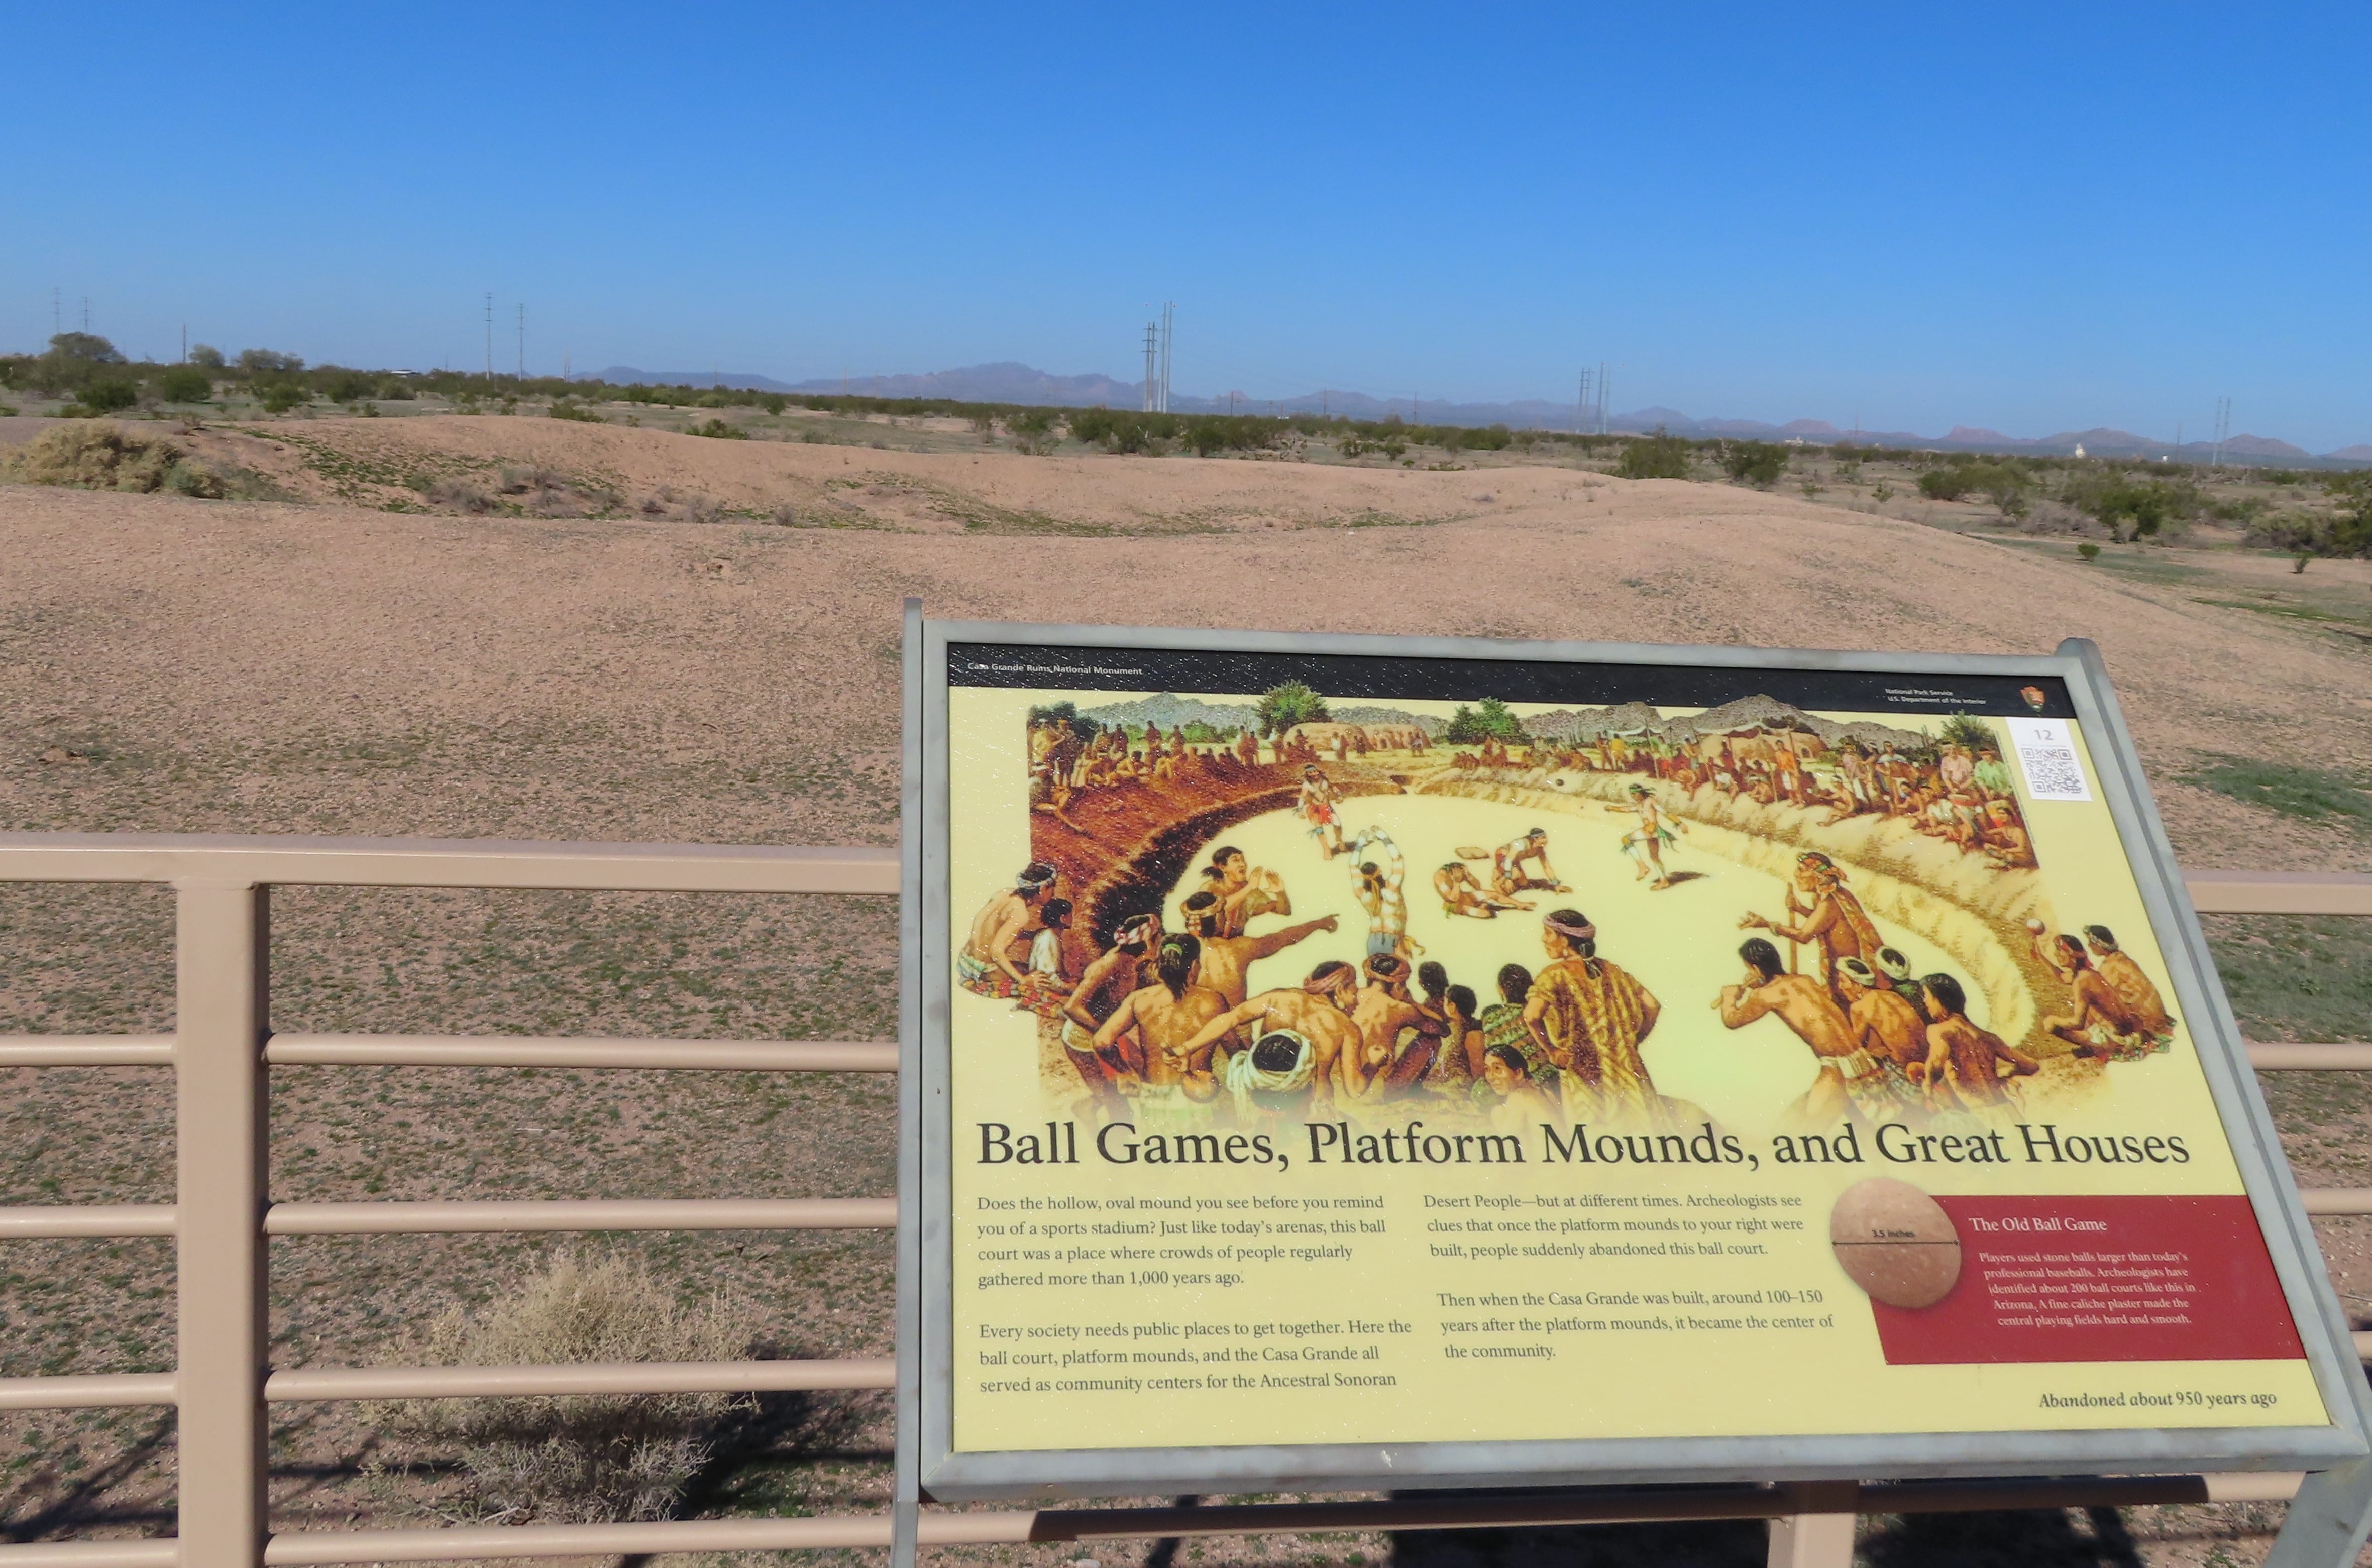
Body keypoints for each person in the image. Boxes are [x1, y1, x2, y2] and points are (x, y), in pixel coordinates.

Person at [1716, 938, 1899, 1128]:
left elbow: (1732, 1020)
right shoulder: (1803, 980)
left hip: (1839, 1067)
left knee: (1809, 1129)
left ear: (1755, 969)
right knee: (1861, 1125)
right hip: (1861, 1059)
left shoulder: (1764, 995)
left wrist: (1728, 997)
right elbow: (1788, 996)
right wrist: (1760, 983)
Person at [1523, 909, 1663, 1126]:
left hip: (1583, 1073)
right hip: (1627, 1071)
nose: (1543, 939)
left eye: (1548, 933)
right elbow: (1652, 1005)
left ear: (1565, 939)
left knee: (1592, 1139)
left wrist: (1552, 1050)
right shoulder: (1612, 970)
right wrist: (1632, 1041)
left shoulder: (1553, 975)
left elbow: (1531, 1016)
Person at [1179, 960, 1365, 1119]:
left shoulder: (1279, 999)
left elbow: (1229, 1019)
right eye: (1354, 988)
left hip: (1261, 1098)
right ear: (1341, 989)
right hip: (1304, 1105)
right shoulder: (1346, 1027)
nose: (1358, 997)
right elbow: (1355, 1089)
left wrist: (1187, 1047)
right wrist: (1375, 1064)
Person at [1093, 934, 1230, 1131]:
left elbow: (1102, 1041)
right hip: (1196, 1094)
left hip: (1153, 1096)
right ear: (1193, 965)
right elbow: (1232, 1046)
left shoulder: (1139, 999)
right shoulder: (1213, 1001)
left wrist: (1126, 1072)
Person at [1058, 913, 1162, 1118]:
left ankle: (1089, 1105)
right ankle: (1089, 1114)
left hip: (1106, 1036)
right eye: (1158, 935)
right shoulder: (1111, 963)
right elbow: (1072, 1007)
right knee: (1119, 1108)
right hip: (1083, 1040)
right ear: (1149, 939)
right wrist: (1105, 1032)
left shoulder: (1134, 961)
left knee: (1141, 1076)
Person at [1739, 851, 1880, 1002]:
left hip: (1850, 975)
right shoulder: (1828, 896)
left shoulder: (1829, 902)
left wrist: (1767, 924)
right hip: (1842, 971)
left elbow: (1804, 936)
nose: (1796, 874)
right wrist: (1800, 909)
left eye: (1801, 870)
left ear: (1818, 876)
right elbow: (1825, 922)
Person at [1178, 892, 1337, 1009]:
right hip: (1235, 1029)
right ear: (1217, 919)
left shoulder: (1176, 950)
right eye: (1222, 913)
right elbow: (1282, 939)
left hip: (1193, 1032)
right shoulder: (1236, 949)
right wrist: (1319, 923)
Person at [1921, 972, 2038, 1119]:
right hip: (2009, 1112)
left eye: (1927, 995)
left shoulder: (1939, 1031)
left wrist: (1927, 1083)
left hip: (1980, 1116)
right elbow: (2031, 1066)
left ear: (1938, 999)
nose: (1925, 1001)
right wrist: (2001, 1078)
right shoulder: (1987, 1037)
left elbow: (1937, 1064)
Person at [2034, 931, 2154, 1060]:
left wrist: (2054, 1019)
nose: (2056, 954)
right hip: (2129, 1030)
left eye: (2060, 950)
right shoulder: (2086, 974)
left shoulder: (2082, 982)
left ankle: (2096, 1047)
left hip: (2120, 1039)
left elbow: (2077, 1023)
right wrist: (2040, 957)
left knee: (2050, 1024)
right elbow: (2062, 978)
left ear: (2072, 954)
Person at [1834, 956, 1929, 1106]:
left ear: (1858, 984)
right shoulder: (1891, 995)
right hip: (1926, 1061)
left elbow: (1854, 1045)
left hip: (1904, 1071)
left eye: (1843, 981)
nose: (1840, 987)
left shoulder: (1859, 1008)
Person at [959, 863, 1058, 998]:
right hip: (983, 972)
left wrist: (1028, 935)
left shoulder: (1004, 894)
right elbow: (996, 951)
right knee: (1042, 985)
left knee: (1023, 968)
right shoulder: (1021, 913)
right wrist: (1024, 981)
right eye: (1052, 888)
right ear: (1043, 889)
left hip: (965, 961)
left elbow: (987, 927)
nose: (1053, 894)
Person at [1352, 953, 1439, 1099]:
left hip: (1351, 1082)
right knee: (1431, 1040)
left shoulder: (1353, 996)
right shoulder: (1401, 1008)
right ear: (1399, 984)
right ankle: (1406, 1092)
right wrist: (1412, 1002)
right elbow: (1441, 1029)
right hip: (1376, 1087)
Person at [2083, 925, 2177, 1038]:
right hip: (2154, 1014)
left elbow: (2101, 993)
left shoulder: (2111, 965)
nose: (2089, 946)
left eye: (2091, 942)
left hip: (2145, 1019)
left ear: (2099, 944)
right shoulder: (2122, 959)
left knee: (2096, 1003)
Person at [1350, 828, 1417, 962]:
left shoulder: (1363, 893)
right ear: (1380, 871)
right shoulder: (1392, 887)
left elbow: (1353, 866)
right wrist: (1385, 839)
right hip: (1392, 939)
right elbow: (1398, 859)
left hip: (1373, 940)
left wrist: (1359, 845)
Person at [1198, 844, 1289, 937]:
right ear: (1222, 867)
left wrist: (1281, 893)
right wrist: (1249, 888)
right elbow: (1217, 909)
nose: (1242, 864)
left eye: (1243, 860)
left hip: (1234, 947)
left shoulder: (1248, 889)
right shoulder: (1209, 888)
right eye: (1236, 860)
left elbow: (1284, 911)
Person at [1608, 783, 1684, 890]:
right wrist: (1612, 808)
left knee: (1625, 839)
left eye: (1634, 794)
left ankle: (1642, 867)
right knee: (1654, 857)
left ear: (1640, 792)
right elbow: (1626, 809)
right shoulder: (1639, 805)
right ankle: (1664, 881)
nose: (1633, 796)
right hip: (1650, 831)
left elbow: (1664, 812)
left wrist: (1679, 823)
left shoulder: (1650, 801)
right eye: (1631, 794)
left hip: (1651, 829)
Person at [1476, 1043, 1558, 1135]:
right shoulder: (1544, 1092)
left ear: (1517, 1073)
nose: (1491, 1077)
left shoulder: (1518, 1098)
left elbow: (1506, 1139)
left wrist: (1496, 1116)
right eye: (1487, 1069)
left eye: (1498, 1069)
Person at [1017, 898, 1073, 1017]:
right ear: (1063, 918)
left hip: (1050, 986)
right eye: (1070, 915)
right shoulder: (1048, 938)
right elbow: (1046, 976)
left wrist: (1068, 981)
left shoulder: (1053, 936)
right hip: (1043, 990)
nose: (1073, 918)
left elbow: (1057, 971)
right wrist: (1068, 987)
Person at [1436, 860, 1528, 918]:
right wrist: (1457, 883)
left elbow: (1478, 887)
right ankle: (1481, 907)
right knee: (1486, 914)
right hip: (1453, 904)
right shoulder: (1440, 877)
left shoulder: (1461, 872)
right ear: (1451, 873)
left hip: (1463, 896)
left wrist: (1469, 876)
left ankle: (1519, 904)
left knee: (1494, 895)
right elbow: (1452, 899)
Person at [1492, 829, 1568, 895]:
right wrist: (1508, 880)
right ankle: (1497, 884)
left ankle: (1498, 873)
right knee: (1515, 875)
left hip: (1514, 861)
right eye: (1543, 838)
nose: (1546, 840)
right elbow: (1508, 860)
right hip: (1504, 856)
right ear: (1536, 839)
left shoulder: (1539, 850)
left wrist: (1556, 885)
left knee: (1523, 883)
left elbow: (1546, 867)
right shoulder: (1521, 844)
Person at [1297, 765, 1348, 859]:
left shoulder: (1325, 781)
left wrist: (1339, 795)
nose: (1314, 774)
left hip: (1327, 807)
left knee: (1337, 825)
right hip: (1316, 809)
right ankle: (1326, 849)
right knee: (1319, 829)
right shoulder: (1306, 785)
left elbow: (1335, 788)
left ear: (1318, 771)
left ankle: (1339, 839)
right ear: (1307, 774)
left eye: (1315, 772)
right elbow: (1302, 797)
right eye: (1311, 773)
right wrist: (1300, 810)